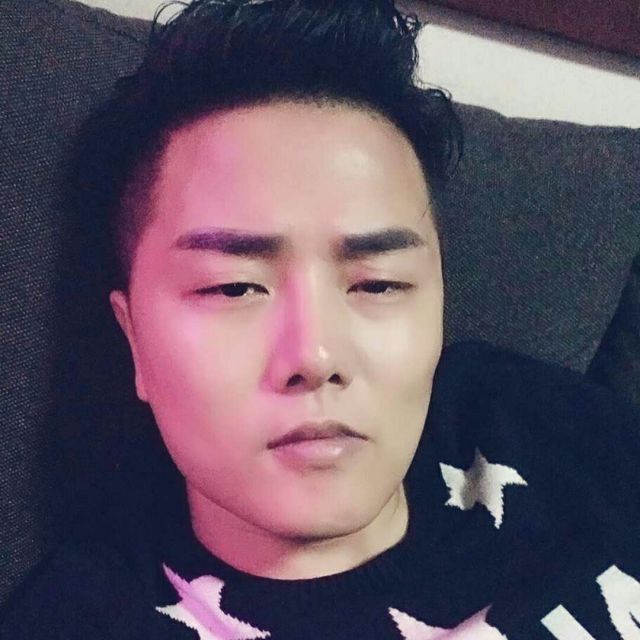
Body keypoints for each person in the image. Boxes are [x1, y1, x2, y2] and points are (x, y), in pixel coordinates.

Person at [1, 0, 639, 638]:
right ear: (134, 339)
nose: (316, 356)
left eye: (379, 283)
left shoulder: (544, 422)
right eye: (233, 288)